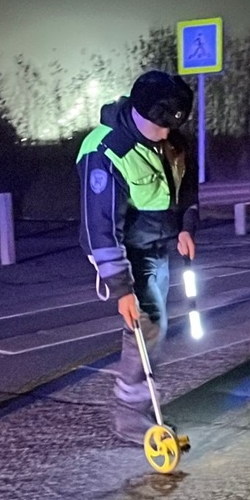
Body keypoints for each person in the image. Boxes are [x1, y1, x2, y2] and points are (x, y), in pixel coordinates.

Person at [77, 70, 199, 443]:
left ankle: (140, 406)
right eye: (159, 126)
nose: (165, 134)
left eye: (171, 126)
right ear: (139, 112)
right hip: (125, 252)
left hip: (157, 244)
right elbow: (99, 226)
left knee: (154, 327)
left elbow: (185, 188)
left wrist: (185, 226)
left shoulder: (171, 139)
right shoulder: (105, 151)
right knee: (147, 326)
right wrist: (120, 288)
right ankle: (130, 416)